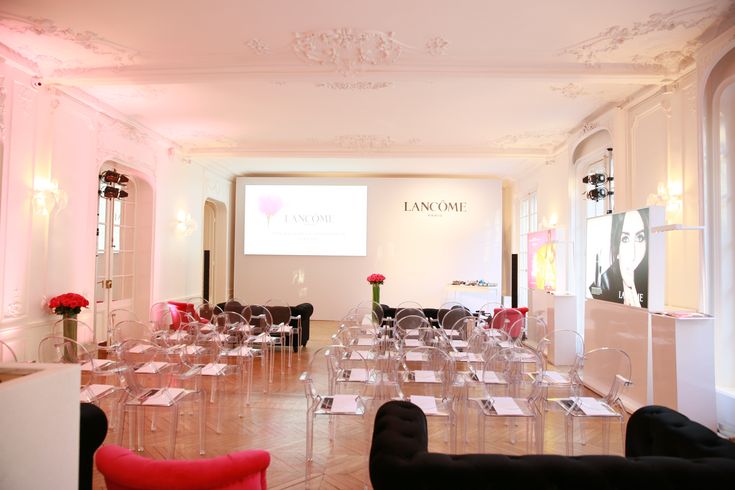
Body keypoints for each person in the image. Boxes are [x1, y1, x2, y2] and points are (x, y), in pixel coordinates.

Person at [590, 209, 649, 308]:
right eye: (625, 239)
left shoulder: (650, 282)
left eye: (640, 238)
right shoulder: (604, 284)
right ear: (616, 247)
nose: (633, 253)